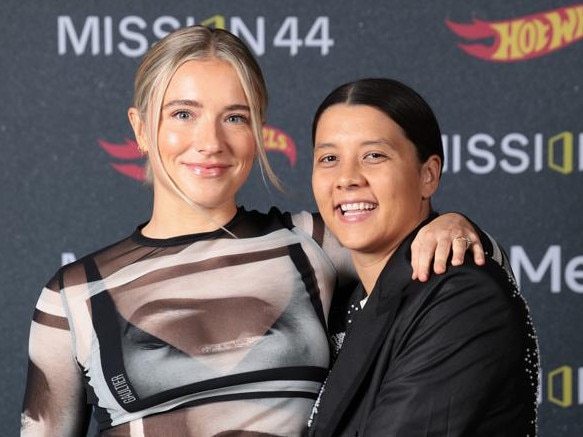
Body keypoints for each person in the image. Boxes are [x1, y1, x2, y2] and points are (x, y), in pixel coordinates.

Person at [20, 27, 484, 437]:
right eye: (183, 114)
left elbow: (461, 276)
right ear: (140, 129)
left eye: (235, 117)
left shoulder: (311, 244)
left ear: (259, 131)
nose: (211, 142)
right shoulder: (73, 295)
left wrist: (451, 224)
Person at [306, 78, 539, 436]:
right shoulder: (341, 299)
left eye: (374, 155)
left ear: (428, 175)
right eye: (329, 158)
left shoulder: (461, 297)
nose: (347, 178)